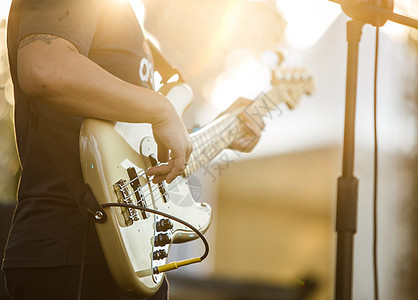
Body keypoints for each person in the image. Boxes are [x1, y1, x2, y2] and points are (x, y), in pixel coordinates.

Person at [1, 0, 263, 299]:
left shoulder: (124, 20)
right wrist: (161, 108)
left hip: (126, 255)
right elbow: (45, 68)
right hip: (74, 252)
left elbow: (138, 147)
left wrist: (221, 131)